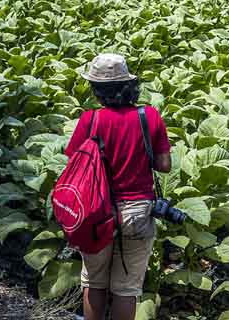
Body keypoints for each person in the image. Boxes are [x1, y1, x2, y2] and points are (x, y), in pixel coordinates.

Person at [64, 53, 171, 320]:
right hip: (137, 211)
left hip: (96, 212)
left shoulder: (91, 119)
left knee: (94, 282)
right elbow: (164, 165)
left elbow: (74, 162)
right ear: (130, 85)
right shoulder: (150, 116)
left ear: (97, 89)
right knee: (127, 288)